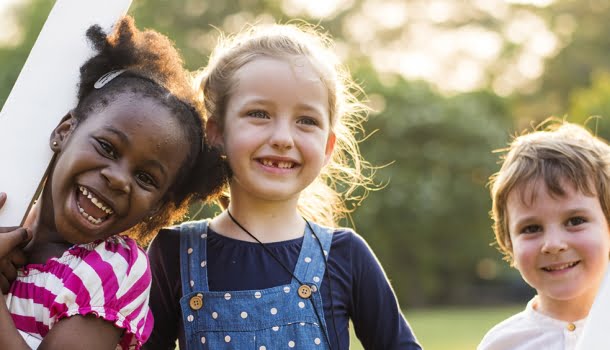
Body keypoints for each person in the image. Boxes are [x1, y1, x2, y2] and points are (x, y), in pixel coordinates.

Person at [145, 23, 421, 350]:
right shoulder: (173, 253)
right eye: (259, 113)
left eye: (306, 120)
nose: (282, 138)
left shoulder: (345, 255)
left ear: (328, 146)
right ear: (217, 132)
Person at [0, 16, 225, 350]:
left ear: (159, 206)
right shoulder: (10, 213)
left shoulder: (115, 269)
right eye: (107, 147)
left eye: (146, 178)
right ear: (65, 132)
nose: (118, 179)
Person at [479, 120, 610, 350]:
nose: (553, 244)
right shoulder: (502, 344)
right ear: (508, 242)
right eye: (531, 228)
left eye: (575, 221)